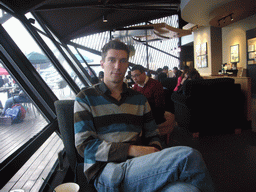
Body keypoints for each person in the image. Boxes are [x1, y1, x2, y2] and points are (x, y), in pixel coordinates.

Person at [74, 40, 215, 192]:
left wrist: (153, 151)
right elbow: (84, 146)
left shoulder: (139, 99)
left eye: (123, 61)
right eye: (112, 60)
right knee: (189, 156)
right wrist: (132, 150)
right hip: (106, 172)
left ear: (127, 65)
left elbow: (153, 135)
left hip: (143, 168)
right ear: (102, 63)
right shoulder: (85, 98)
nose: (117, 66)